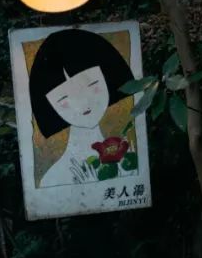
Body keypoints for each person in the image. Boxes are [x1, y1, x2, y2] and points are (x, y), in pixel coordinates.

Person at [29, 28, 136, 187]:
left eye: (92, 85)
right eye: (64, 99)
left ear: (106, 78)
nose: (83, 102)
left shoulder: (129, 160)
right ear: (50, 104)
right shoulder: (52, 179)